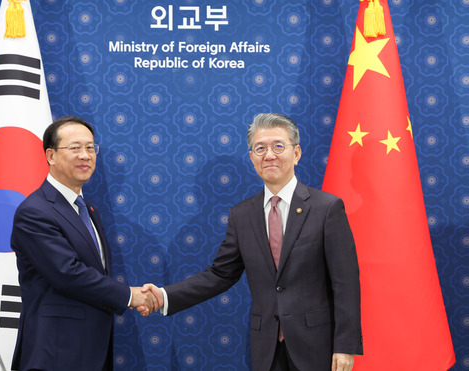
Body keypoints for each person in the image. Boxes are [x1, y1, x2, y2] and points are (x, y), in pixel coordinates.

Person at [143, 113, 363, 371]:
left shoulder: (327, 208)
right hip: (266, 347)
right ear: (252, 158)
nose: (269, 155)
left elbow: (345, 283)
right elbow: (219, 275)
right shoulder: (242, 215)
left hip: (317, 346)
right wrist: (164, 296)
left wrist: (345, 346)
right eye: (260, 148)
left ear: (297, 153)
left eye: (278, 146)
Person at [11, 116, 157, 371]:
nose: (85, 155)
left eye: (90, 148)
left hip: (91, 350)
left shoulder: (88, 210)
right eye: (75, 147)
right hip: (55, 352)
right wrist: (129, 296)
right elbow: (68, 273)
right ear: (51, 155)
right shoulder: (34, 211)